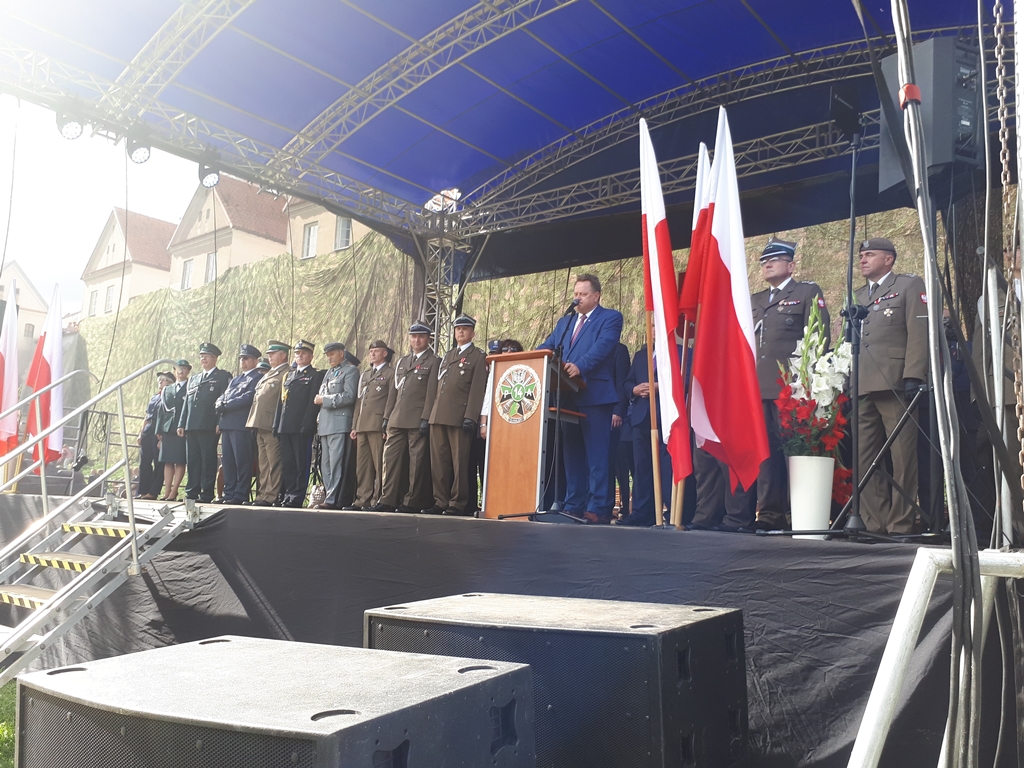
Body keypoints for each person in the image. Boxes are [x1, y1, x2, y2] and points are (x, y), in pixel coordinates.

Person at [747, 237, 830, 530]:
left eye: (774, 260)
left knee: (794, 452)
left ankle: (798, 514)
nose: (767, 265)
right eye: (764, 261)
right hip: (758, 387)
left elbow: (818, 338)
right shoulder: (755, 299)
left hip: (790, 388)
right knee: (766, 454)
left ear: (791, 265)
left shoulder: (806, 292)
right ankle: (769, 514)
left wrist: (806, 382)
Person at [854, 237, 928, 535]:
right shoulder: (858, 295)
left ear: (889, 259)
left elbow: (919, 331)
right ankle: (875, 522)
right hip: (861, 384)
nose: (862, 260)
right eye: (861, 255)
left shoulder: (908, 285)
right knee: (864, 458)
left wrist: (914, 375)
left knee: (902, 457)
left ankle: (900, 523)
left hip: (895, 381)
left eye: (869, 254)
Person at [537, 273, 623, 524]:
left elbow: (603, 347)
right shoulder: (565, 322)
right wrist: (534, 357)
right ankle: (574, 504)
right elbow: (548, 346)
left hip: (595, 394)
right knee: (571, 454)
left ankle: (599, 507)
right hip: (566, 395)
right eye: (575, 294)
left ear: (596, 296)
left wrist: (580, 365)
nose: (577, 299)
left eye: (583, 294)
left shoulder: (610, 317)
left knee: (597, 456)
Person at [371, 322, 440, 513]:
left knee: (416, 462)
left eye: (421, 336)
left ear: (428, 339)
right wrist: (387, 416)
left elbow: (431, 392)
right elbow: (394, 392)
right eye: (413, 336)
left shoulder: (434, 361)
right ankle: (387, 499)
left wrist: (426, 417)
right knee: (390, 460)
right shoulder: (402, 361)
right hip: (396, 417)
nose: (416, 340)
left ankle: (412, 501)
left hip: (417, 418)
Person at [425, 315, 488, 516]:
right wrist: (429, 415)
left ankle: (458, 502)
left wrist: (471, 416)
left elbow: (477, 389)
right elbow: (438, 387)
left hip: (459, 416)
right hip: (438, 415)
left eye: (465, 329)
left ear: (472, 333)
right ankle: (440, 501)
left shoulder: (478, 356)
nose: (460, 331)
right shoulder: (448, 355)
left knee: (459, 462)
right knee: (439, 462)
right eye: (457, 328)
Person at [620, 343, 676, 526]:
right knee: (641, 467)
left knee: (667, 466)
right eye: (651, 328)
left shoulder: (680, 352)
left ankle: (673, 512)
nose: (653, 330)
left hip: (667, 417)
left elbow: (686, 380)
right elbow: (628, 382)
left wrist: (662, 386)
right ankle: (642, 513)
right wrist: (634, 390)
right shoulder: (640, 356)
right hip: (641, 418)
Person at [177, 342, 231, 503]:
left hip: (209, 425)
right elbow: (187, 403)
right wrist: (182, 423)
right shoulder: (194, 379)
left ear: (215, 358)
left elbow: (224, 400)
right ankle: (191, 492)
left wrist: (219, 422)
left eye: (207, 356)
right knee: (193, 460)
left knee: (208, 460)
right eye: (201, 356)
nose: (203, 359)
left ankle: (206, 493)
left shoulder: (222, 376)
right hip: (192, 424)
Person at [273, 340, 324, 508]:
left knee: (301, 463)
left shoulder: (314, 375)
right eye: (297, 353)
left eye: (303, 353)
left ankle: (297, 496)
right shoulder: (289, 375)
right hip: (285, 427)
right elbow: (281, 403)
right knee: (288, 463)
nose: (299, 356)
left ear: (311, 356)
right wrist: (276, 425)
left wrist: (307, 424)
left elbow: (312, 403)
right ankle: (288, 494)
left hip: (301, 427)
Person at [348, 340, 395, 510]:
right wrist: (355, 425)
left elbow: (391, 400)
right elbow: (359, 402)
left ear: (385, 353)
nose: (373, 354)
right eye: (371, 351)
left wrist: (386, 423)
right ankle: (362, 499)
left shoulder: (390, 373)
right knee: (363, 465)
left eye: (376, 351)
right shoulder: (365, 374)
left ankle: (377, 499)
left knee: (379, 465)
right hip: (362, 425)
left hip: (377, 424)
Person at [215, 344, 264, 504]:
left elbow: (248, 397)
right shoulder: (236, 379)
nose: (243, 361)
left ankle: (240, 494)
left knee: (242, 461)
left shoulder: (257, 377)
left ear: (255, 361)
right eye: (241, 358)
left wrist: (226, 405)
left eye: (246, 358)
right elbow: (224, 395)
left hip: (241, 424)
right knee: (228, 462)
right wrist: (219, 402)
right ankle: (229, 493)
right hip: (227, 423)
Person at [314, 341, 359, 509]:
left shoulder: (351, 370)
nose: (329, 358)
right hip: (325, 423)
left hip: (339, 423)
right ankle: (328, 496)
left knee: (336, 463)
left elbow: (349, 396)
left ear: (342, 353)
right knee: (325, 464)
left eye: (332, 354)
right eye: (327, 355)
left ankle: (334, 499)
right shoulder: (330, 372)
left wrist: (324, 400)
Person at [246, 341, 289, 506]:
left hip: (272, 424)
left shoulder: (286, 373)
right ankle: (262, 494)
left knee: (273, 463)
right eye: (269, 354)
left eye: (273, 354)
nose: (269, 357)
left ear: (283, 355)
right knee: (263, 463)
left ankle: (271, 496)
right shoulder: (270, 373)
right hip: (260, 423)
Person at [155, 360, 190, 501]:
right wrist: (159, 429)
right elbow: (162, 410)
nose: (181, 371)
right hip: (168, 427)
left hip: (182, 428)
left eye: (184, 369)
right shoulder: (167, 389)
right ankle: (167, 490)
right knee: (168, 460)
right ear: (175, 371)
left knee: (180, 460)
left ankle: (174, 491)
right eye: (178, 369)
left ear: (188, 371)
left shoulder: (190, 386)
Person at [136, 371, 170, 499]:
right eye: (160, 379)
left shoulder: (169, 396)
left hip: (159, 428)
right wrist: (141, 433)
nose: (161, 381)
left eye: (164, 379)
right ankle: (143, 490)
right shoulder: (154, 397)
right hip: (148, 428)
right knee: (145, 461)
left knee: (158, 461)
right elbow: (147, 415)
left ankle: (153, 491)